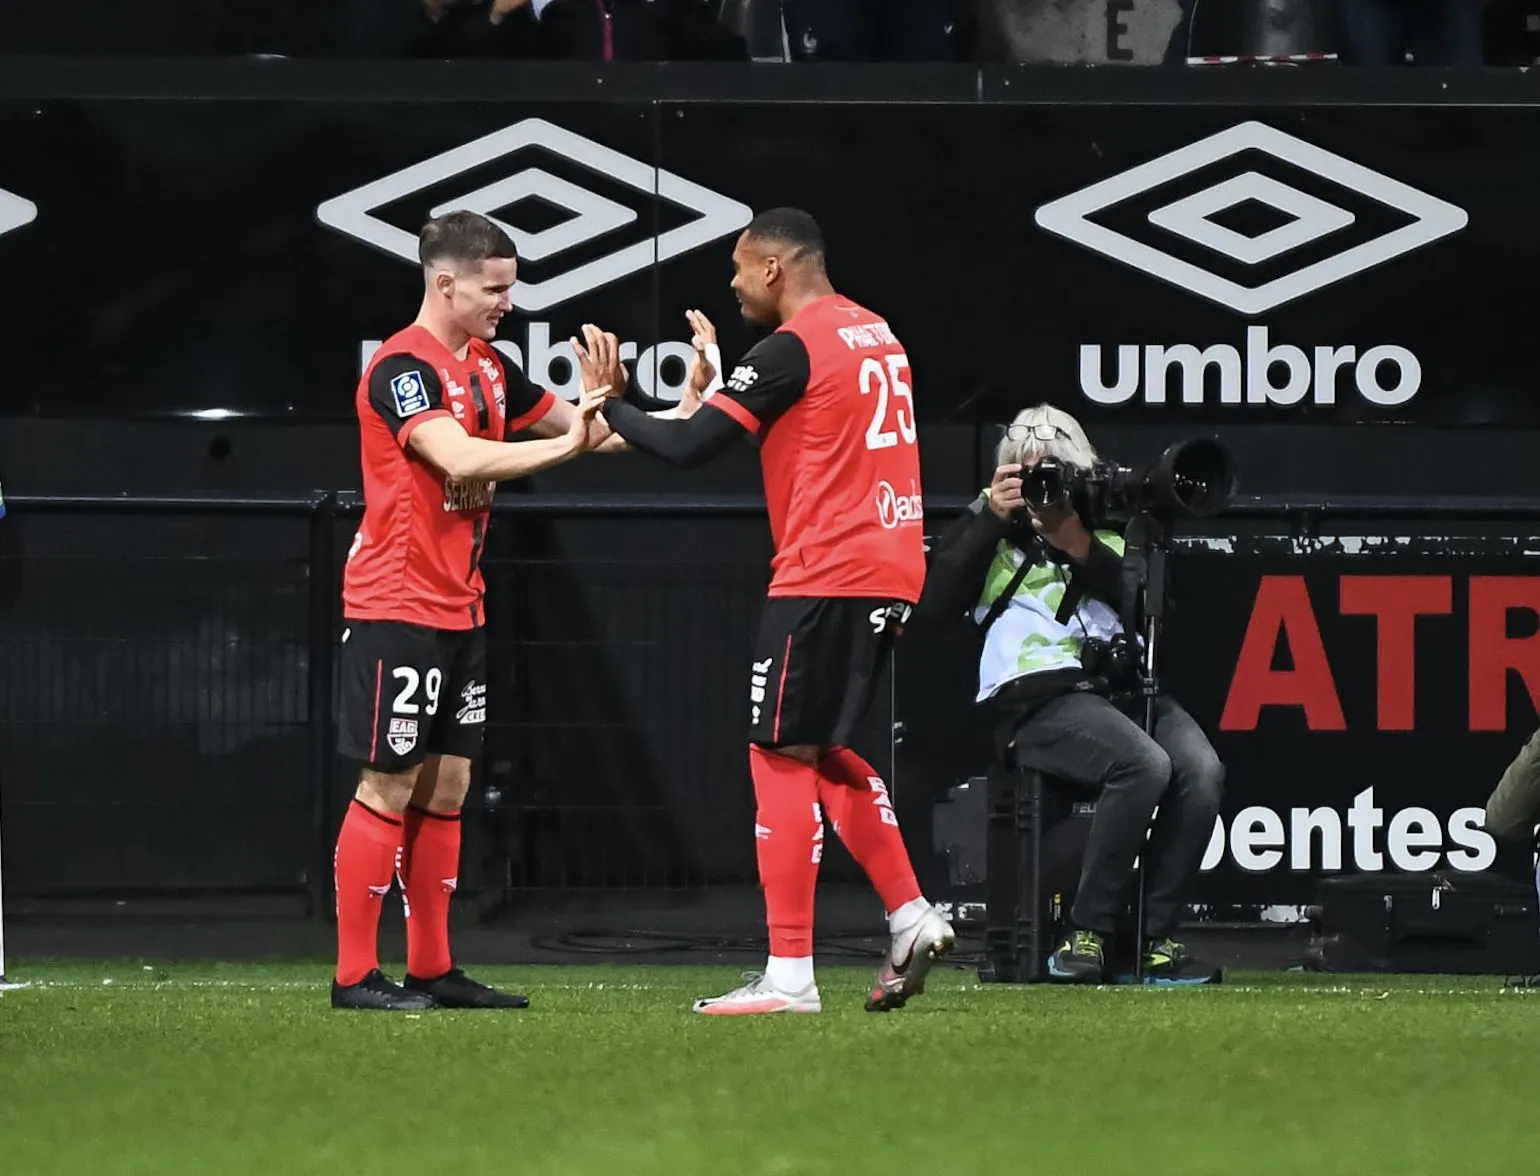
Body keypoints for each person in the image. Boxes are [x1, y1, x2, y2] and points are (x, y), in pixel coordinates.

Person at [331, 210, 705, 1012]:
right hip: (396, 602)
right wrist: (568, 446)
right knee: (387, 783)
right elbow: (458, 456)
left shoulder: (492, 367)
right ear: (445, 283)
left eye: (510, 287)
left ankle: (432, 968)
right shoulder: (403, 367)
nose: (508, 302)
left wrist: (684, 414)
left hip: (461, 606)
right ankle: (354, 975)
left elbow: (591, 434)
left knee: (448, 787)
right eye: (494, 289)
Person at [585, 207, 955, 1016]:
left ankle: (789, 976)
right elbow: (806, 436)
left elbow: (686, 449)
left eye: (738, 268)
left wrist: (608, 402)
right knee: (819, 747)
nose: (733, 284)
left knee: (777, 754)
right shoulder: (874, 331)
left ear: (773, 268)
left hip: (826, 572)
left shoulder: (792, 345)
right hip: (889, 566)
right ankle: (909, 913)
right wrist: (721, 392)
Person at [918, 404, 1225, 985]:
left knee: (1202, 770)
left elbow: (1151, 609)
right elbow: (931, 607)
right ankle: (1089, 933)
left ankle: (1150, 939)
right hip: (1035, 694)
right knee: (1144, 763)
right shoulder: (989, 522)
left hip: (1122, 688)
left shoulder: (1107, 516)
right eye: (1028, 470)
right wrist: (991, 516)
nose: (1043, 484)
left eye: (1053, 469)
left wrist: (1078, 543)